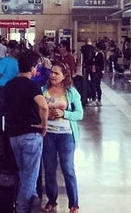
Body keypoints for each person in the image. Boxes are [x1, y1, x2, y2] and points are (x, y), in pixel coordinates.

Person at [4, 51, 49, 213]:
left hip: (14, 135)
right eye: (36, 66)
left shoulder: (9, 85)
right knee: (30, 174)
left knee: (24, 172)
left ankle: (32, 203)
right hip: (31, 134)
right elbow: (43, 105)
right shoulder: (32, 85)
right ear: (32, 68)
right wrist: (44, 124)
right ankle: (22, 208)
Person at [40, 62, 84, 213]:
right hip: (48, 135)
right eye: (51, 72)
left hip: (66, 135)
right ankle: (52, 200)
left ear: (65, 76)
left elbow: (79, 114)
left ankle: (73, 204)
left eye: (56, 73)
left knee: (68, 169)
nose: (52, 75)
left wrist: (64, 114)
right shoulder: (43, 90)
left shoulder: (71, 92)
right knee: (50, 168)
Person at [0, 44, 20, 127]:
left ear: (9, 50)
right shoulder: (18, 63)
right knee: (8, 111)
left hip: (1, 88)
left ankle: (0, 130)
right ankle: (7, 129)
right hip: (12, 88)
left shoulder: (4, 61)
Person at [89, 42, 106, 106]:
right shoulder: (95, 54)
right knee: (94, 85)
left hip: (98, 72)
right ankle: (96, 99)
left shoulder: (100, 54)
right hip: (94, 71)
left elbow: (99, 63)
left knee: (96, 85)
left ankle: (98, 100)